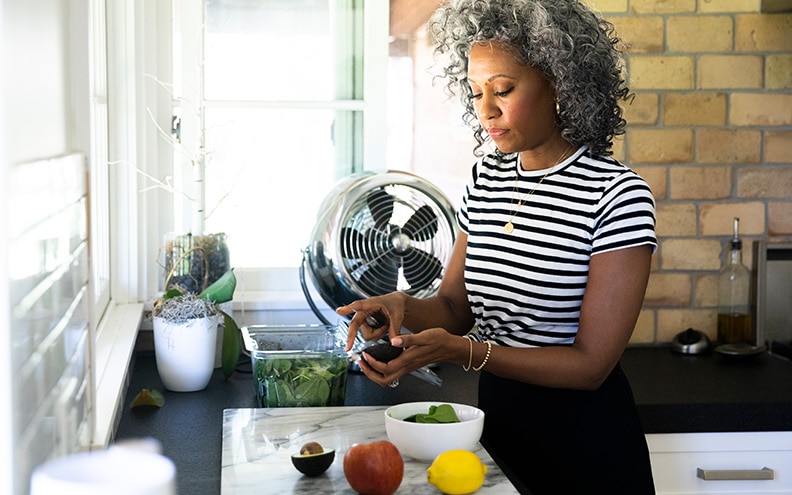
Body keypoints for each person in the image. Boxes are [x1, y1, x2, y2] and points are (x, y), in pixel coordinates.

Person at [337, 0, 657, 493]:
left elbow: (592, 365)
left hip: (586, 446)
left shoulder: (615, 194)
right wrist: (401, 307)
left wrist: (466, 353)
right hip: (497, 434)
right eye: (476, 92)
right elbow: (454, 306)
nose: (485, 110)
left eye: (503, 90)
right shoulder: (486, 179)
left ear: (560, 82)